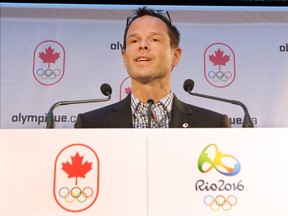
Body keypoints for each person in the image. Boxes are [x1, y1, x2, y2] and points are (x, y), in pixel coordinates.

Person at [74, 7, 231, 128]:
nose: (142, 46)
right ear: (124, 57)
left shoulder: (212, 124)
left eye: (154, 39)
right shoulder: (91, 124)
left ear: (175, 56)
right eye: (134, 41)